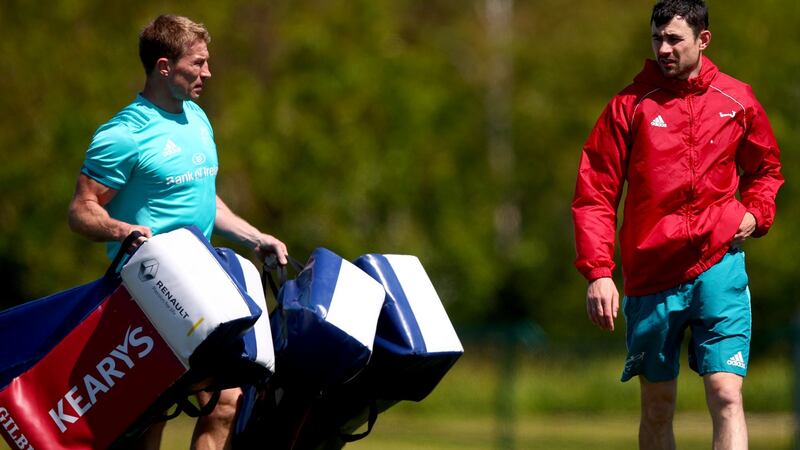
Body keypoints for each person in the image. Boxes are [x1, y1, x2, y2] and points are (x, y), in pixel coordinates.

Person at [67, 14, 288, 450]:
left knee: (226, 403)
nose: (208, 73)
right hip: (149, 293)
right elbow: (81, 209)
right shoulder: (125, 134)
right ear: (165, 67)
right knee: (151, 415)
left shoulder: (197, 118)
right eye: (198, 63)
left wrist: (254, 237)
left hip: (202, 286)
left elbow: (204, 199)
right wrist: (121, 229)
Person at [571, 1, 783, 449]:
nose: (663, 49)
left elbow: (766, 169)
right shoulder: (628, 106)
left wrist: (755, 213)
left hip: (719, 264)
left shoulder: (737, 99)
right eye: (657, 39)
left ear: (703, 40)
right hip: (652, 274)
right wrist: (599, 272)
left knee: (727, 394)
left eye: (674, 39)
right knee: (658, 405)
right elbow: (595, 193)